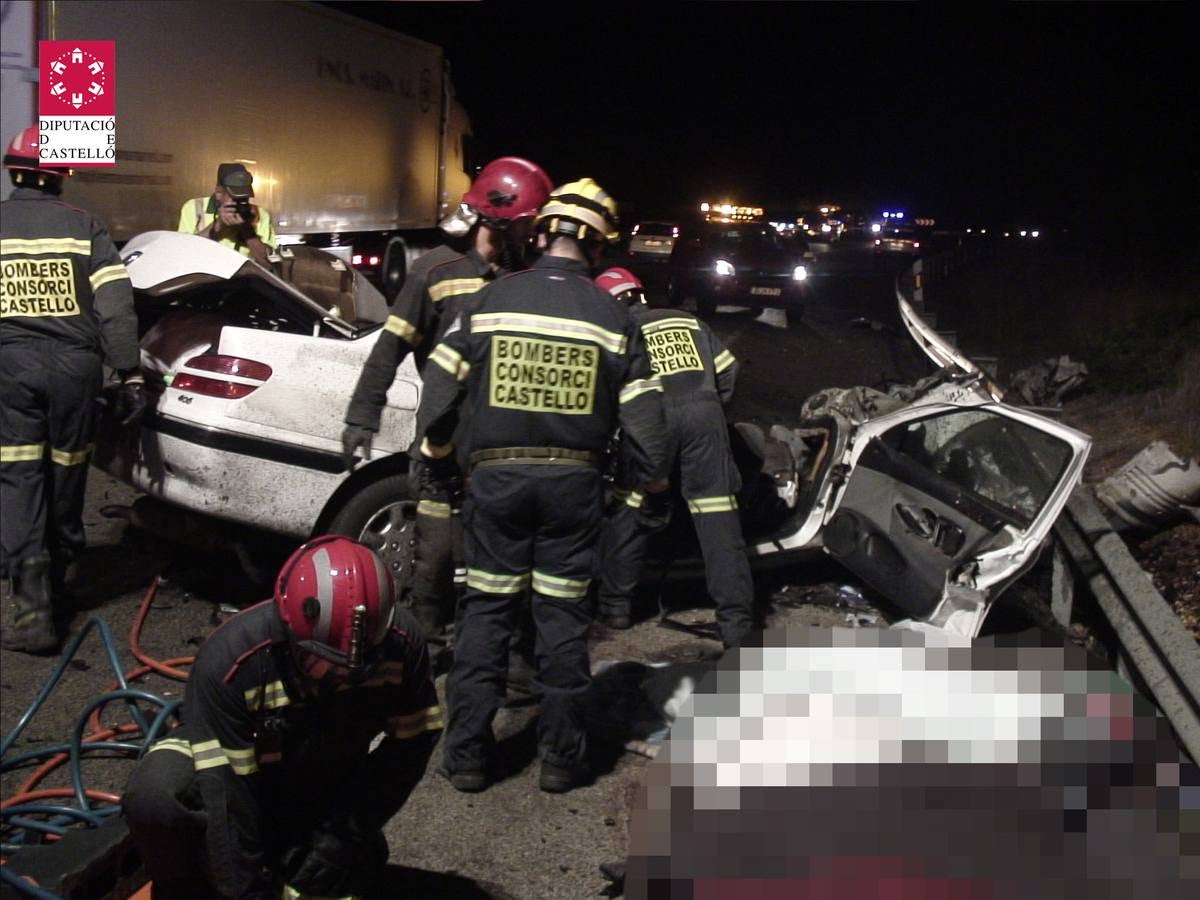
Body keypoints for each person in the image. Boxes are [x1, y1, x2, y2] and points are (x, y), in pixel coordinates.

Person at [414, 178, 669, 794]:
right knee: (560, 621)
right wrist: (643, 493)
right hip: (575, 491)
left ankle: (470, 757)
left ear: (542, 232)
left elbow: (438, 398)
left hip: (496, 484)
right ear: (600, 245)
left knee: (486, 615)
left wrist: (441, 458)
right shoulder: (615, 317)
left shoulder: (490, 299)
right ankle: (560, 760)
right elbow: (649, 439)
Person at [122, 536, 444, 900]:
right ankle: (184, 888)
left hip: (322, 780)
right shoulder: (230, 663)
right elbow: (229, 793)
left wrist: (345, 834)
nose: (336, 677)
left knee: (350, 873)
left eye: (354, 670)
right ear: (288, 629)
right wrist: (245, 891)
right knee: (157, 794)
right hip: (242, 767)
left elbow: (412, 746)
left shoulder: (403, 647)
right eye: (320, 662)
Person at [341, 156, 553, 660]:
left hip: (503, 448)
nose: (534, 236)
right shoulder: (436, 271)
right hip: (441, 443)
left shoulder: (526, 277)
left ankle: (491, 652)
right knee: (435, 556)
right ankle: (428, 650)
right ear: (497, 219)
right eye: (526, 224)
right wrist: (361, 416)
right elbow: (390, 347)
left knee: (497, 557)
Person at [1, 125, 145, 655]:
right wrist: (128, 372)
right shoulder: (85, 226)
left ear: (13, 171)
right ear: (59, 176)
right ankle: (63, 583)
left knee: (17, 478)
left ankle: (32, 608)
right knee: (65, 472)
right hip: (74, 371)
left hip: (9, 368)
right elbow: (115, 307)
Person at [593, 266, 755, 648]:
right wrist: (709, 409)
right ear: (640, 294)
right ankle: (737, 624)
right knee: (718, 522)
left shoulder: (617, 334)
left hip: (651, 423)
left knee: (628, 513)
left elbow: (608, 400)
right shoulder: (687, 320)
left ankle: (616, 607)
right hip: (705, 419)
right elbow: (729, 373)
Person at [178, 162, 275, 262]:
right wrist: (218, 225)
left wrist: (247, 230)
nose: (240, 203)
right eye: (235, 198)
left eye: (244, 198)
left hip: (245, 276)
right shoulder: (194, 207)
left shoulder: (260, 214)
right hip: (206, 276)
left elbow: (269, 260)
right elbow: (183, 251)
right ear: (219, 193)